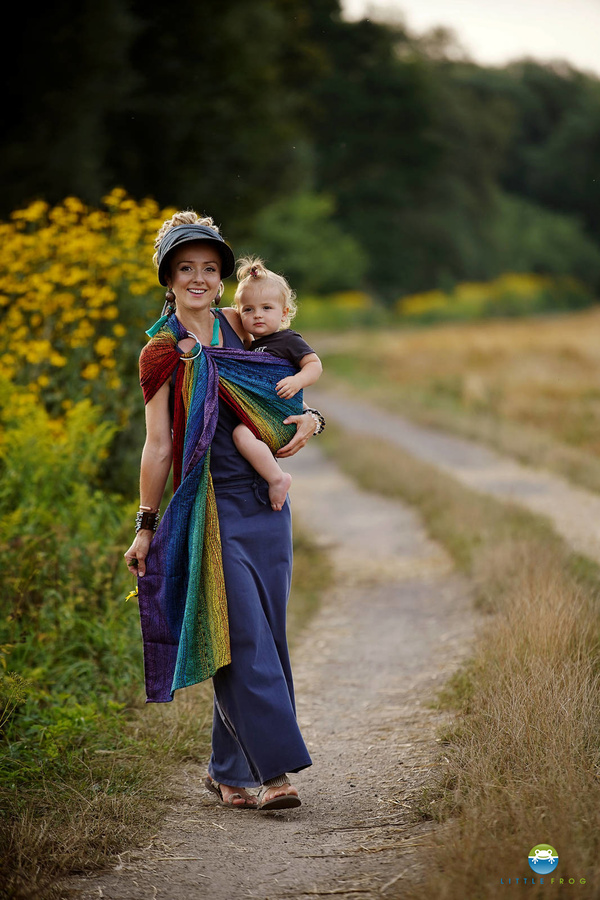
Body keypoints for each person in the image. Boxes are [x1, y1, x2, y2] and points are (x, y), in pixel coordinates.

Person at [123, 210, 325, 812]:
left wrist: (314, 419)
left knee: (266, 637)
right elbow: (158, 445)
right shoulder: (162, 353)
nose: (199, 278)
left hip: (264, 503)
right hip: (207, 506)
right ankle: (276, 774)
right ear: (168, 276)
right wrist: (145, 525)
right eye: (186, 268)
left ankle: (225, 768)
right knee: (241, 635)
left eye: (210, 268)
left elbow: (283, 388)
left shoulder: (242, 324)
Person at [230, 256, 323, 512]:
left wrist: (297, 380)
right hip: (262, 412)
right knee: (241, 433)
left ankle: (277, 478)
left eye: (266, 308)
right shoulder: (248, 347)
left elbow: (314, 365)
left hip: (280, 413)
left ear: (284, 313)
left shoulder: (288, 340)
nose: (257, 315)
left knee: (241, 433)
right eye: (248, 309)